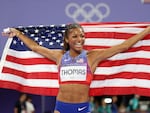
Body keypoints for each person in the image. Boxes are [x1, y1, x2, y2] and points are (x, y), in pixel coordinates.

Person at [2, 23, 150, 113]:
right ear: (67, 39)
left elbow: (123, 46)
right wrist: (19, 34)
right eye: (75, 36)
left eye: (81, 36)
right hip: (61, 107)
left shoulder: (92, 57)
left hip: (81, 108)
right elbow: (35, 47)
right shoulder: (60, 56)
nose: (79, 39)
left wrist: (147, 31)